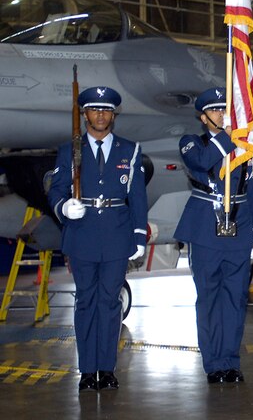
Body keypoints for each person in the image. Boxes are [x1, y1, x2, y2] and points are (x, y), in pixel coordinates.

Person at [47, 86, 148, 392]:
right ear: (84, 114)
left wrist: (139, 235)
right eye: (94, 110)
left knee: (110, 303)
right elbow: (56, 189)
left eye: (106, 110)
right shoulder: (69, 150)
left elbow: (137, 197)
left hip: (117, 235)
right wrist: (64, 207)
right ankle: (88, 370)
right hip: (82, 234)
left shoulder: (129, 150)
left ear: (114, 115)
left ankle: (107, 368)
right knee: (85, 302)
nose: (101, 115)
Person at [174, 87, 253, 384]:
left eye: (225, 109)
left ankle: (230, 361)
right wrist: (226, 136)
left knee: (236, 298)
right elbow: (201, 162)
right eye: (214, 110)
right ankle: (213, 363)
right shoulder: (192, 143)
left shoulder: (246, 146)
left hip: (239, 227)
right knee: (209, 298)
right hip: (205, 230)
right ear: (203, 118)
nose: (222, 114)